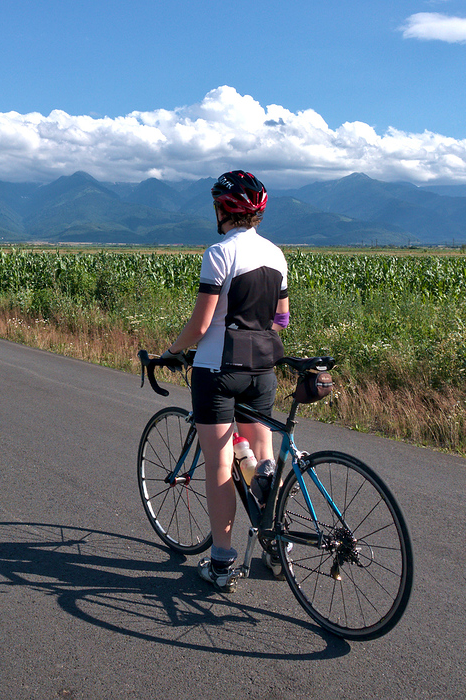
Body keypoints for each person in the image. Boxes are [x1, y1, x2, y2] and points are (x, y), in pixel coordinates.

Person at [161, 170, 290, 592]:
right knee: (261, 457)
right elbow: (282, 319)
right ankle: (275, 546)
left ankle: (220, 562)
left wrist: (173, 351)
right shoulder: (276, 255)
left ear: (224, 209)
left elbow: (200, 325)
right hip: (262, 369)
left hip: (217, 370)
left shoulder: (219, 253)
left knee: (218, 462)